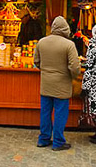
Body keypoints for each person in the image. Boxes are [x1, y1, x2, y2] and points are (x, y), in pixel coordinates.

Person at [34, 16, 81, 151]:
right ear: (65, 28)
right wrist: (73, 77)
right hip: (62, 84)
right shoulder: (68, 45)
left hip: (46, 83)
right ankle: (58, 142)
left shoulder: (41, 42)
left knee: (45, 112)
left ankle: (43, 139)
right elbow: (75, 67)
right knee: (60, 113)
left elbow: (36, 62)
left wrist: (45, 71)